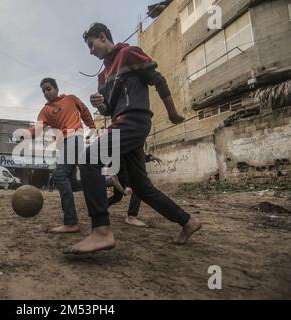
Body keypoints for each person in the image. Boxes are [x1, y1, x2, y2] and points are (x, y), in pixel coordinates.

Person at [64, 23, 202, 254]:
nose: (90, 51)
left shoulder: (128, 53)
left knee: (89, 157)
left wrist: (172, 113)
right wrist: (101, 105)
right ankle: (187, 221)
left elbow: (158, 79)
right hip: (121, 122)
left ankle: (101, 231)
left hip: (134, 121)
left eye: (91, 45)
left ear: (102, 36)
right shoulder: (103, 75)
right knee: (141, 186)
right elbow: (110, 110)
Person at [28, 78, 97, 234]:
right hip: (64, 144)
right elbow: (37, 129)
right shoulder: (45, 111)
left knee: (60, 176)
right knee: (72, 183)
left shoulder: (71, 99)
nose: (46, 93)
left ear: (56, 88)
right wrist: (26, 134)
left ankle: (71, 222)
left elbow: (85, 111)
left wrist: (92, 127)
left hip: (74, 138)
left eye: (49, 88)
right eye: (43, 91)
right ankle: (106, 181)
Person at [108, 154, 163, 227]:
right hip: (121, 172)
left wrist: (149, 157)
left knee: (119, 196)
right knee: (135, 189)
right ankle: (131, 216)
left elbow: (135, 154)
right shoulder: (124, 144)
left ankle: (101, 207)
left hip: (122, 172)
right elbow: (133, 154)